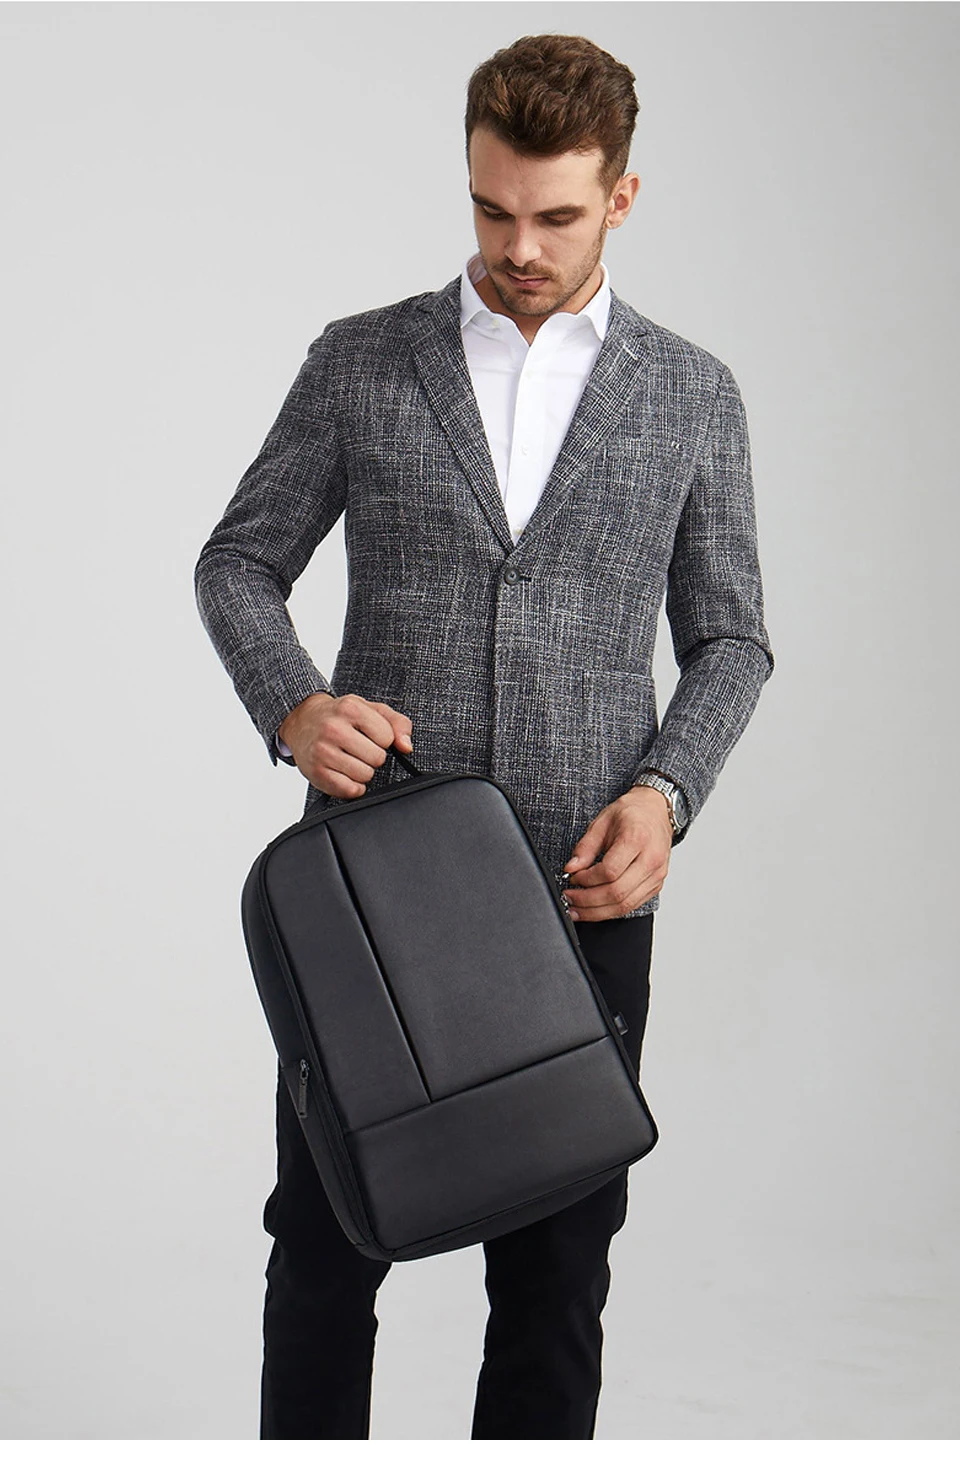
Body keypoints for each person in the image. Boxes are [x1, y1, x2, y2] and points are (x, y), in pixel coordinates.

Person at [194, 31, 775, 1441]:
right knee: (324, 1251)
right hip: (374, 890)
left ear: (621, 197)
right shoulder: (362, 361)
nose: (518, 247)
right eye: (491, 207)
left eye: (556, 216)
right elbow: (239, 562)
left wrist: (668, 794)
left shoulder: (692, 394)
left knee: (558, 1276)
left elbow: (731, 638)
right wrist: (294, 704)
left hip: (582, 891)